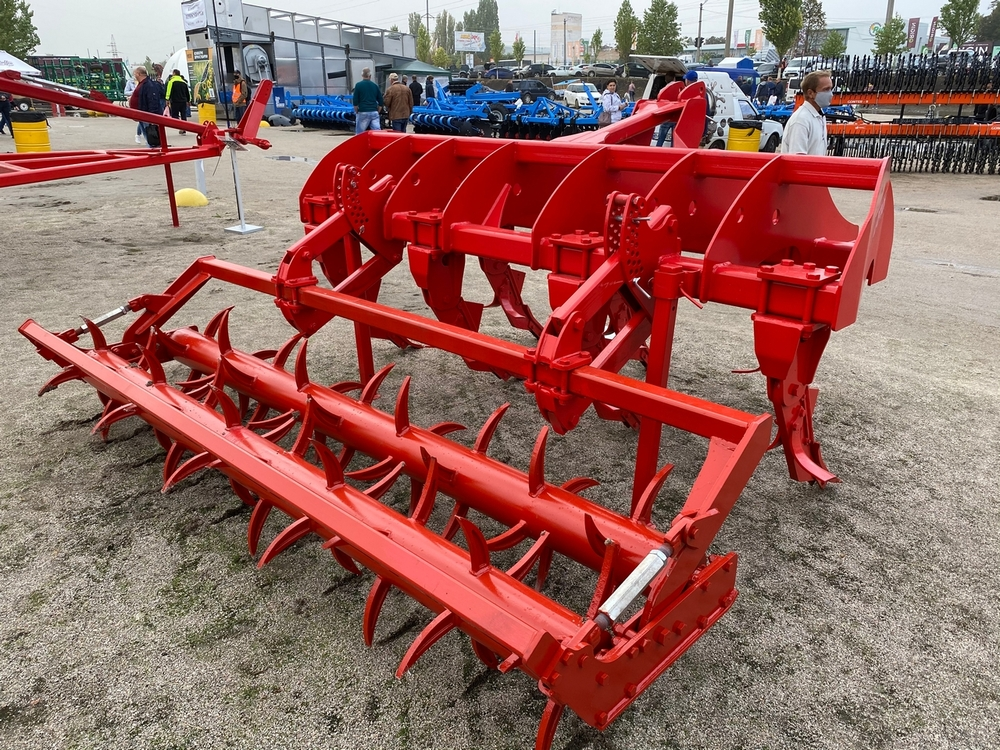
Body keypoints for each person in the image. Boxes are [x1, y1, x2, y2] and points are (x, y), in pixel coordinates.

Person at [781, 70, 833, 156]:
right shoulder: (801, 120)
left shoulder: (820, 116)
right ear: (810, 93)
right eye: (826, 89)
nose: (830, 94)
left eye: (830, 89)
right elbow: (797, 158)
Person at [655, 70, 697, 147]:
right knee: (674, 141)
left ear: (665, 80)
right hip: (676, 118)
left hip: (666, 117)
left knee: (660, 140)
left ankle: (656, 152)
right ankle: (672, 152)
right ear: (674, 79)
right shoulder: (680, 90)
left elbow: (659, 103)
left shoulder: (662, 90)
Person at [129, 66, 166, 147]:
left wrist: (152, 117)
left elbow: (152, 100)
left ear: (139, 74)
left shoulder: (148, 85)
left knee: (151, 137)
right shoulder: (143, 84)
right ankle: (152, 148)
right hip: (142, 114)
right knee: (148, 136)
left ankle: (154, 150)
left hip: (147, 115)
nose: (134, 76)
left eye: (135, 74)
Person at [352, 67, 383, 134]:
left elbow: (355, 100)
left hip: (363, 111)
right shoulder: (375, 86)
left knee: (360, 134)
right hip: (374, 112)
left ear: (362, 75)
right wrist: (378, 111)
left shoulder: (358, 85)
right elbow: (380, 100)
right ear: (370, 76)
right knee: (377, 133)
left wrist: (356, 111)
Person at [165, 69, 191, 134]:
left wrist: (167, 99)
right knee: (183, 115)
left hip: (175, 101)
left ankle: (180, 127)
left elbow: (169, 91)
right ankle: (184, 128)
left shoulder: (171, 81)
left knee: (174, 115)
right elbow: (187, 92)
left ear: (174, 73)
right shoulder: (184, 82)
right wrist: (189, 100)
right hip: (183, 101)